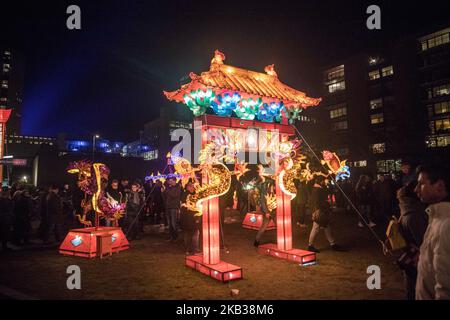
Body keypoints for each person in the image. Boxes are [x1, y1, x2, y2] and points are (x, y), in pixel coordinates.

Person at [414, 165, 450, 300]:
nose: (416, 189)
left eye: (421, 184)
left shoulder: (446, 226)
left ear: (439, 186)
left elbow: (445, 290)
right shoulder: (436, 218)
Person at [396, 182, 428, 300]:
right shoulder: (413, 216)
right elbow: (423, 241)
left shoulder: (406, 211)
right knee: (414, 288)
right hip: (415, 259)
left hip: (411, 256)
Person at [307, 175, 345, 253]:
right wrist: (317, 210)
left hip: (321, 211)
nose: (326, 182)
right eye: (325, 180)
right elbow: (316, 202)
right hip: (320, 211)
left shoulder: (317, 189)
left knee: (326, 226)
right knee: (316, 227)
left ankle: (332, 243)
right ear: (321, 181)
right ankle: (310, 245)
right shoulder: (318, 190)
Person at [180, 182, 201, 255]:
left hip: (185, 218)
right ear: (188, 187)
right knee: (195, 233)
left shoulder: (183, 195)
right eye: (192, 186)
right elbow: (194, 207)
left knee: (187, 234)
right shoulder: (191, 196)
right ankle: (195, 250)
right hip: (191, 217)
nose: (194, 188)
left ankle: (187, 250)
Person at [163, 177, 181, 241]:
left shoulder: (178, 187)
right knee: (169, 223)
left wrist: (168, 190)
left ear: (175, 181)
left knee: (174, 223)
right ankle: (171, 236)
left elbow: (174, 195)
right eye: (169, 181)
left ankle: (175, 236)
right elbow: (164, 195)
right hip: (168, 207)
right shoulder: (169, 188)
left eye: (171, 181)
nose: (169, 182)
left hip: (174, 207)